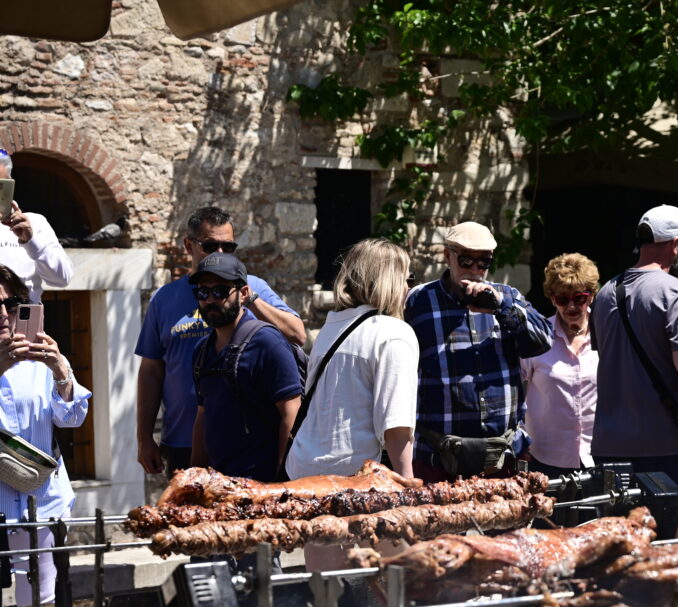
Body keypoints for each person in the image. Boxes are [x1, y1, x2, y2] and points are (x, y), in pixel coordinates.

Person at [136, 206, 304, 477]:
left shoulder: (252, 288)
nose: (220, 254)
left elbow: (297, 335)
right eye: (211, 245)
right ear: (189, 245)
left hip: (249, 446)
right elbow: (151, 370)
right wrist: (144, 437)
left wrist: (248, 298)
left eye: (228, 247)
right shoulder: (164, 299)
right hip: (182, 439)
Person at [285, 239, 418, 571]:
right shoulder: (394, 334)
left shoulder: (332, 328)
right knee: (397, 586)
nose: (407, 288)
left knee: (328, 588)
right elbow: (395, 424)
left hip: (307, 472)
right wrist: (407, 493)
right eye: (407, 278)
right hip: (355, 480)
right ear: (388, 279)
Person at [0, 265, 90, 607]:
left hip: (42, 502)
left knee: (37, 605)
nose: (2, 313)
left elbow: (73, 417)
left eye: (10, 305)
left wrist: (60, 371)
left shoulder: (39, 360)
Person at [591, 204, 678, 540]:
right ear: (676, 244)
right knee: (677, 549)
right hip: (668, 447)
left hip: (610, 446)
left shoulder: (606, 293)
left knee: (623, 548)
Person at [405, 221, 551, 482]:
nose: (475, 271)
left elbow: (543, 341)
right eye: (466, 260)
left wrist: (502, 307)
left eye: (483, 263)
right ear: (447, 256)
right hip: (438, 457)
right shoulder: (418, 301)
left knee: (508, 524)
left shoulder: (506, 296)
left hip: (501, 457)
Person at [189, 253, 302, 481]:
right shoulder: (202, 351)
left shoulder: (267, 342)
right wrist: (194, 477)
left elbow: (291, 413)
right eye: (203, 292)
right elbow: (203, 416)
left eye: (220, 291)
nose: (210, 300)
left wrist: (280, 482)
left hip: (261, 489)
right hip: (220, 488)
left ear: (242, 294)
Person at [519, 253, 599, 479]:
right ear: (552, 299)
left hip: (597, 456)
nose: (571, 306)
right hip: (544, 459)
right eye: (563, 299)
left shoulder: (608, 333)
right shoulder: (537, 336)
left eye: (579, 298)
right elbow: (513, 391)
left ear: (591, 296)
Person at [0, 150, 73, 303]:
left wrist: (31, 241)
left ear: (10, 184)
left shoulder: (35, 222)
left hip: (23, 324)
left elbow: (62, 279)